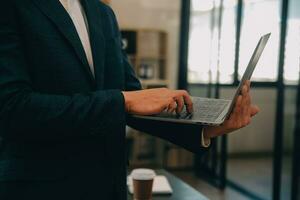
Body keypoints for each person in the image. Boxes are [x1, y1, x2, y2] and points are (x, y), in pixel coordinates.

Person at [0, 0, 259, 199]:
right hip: (40, 188)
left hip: (109, 186)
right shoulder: (11, 7)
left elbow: (134, 102)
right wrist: (122, 101)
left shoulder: (103, 14)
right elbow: (12, 109)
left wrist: (208, 128)